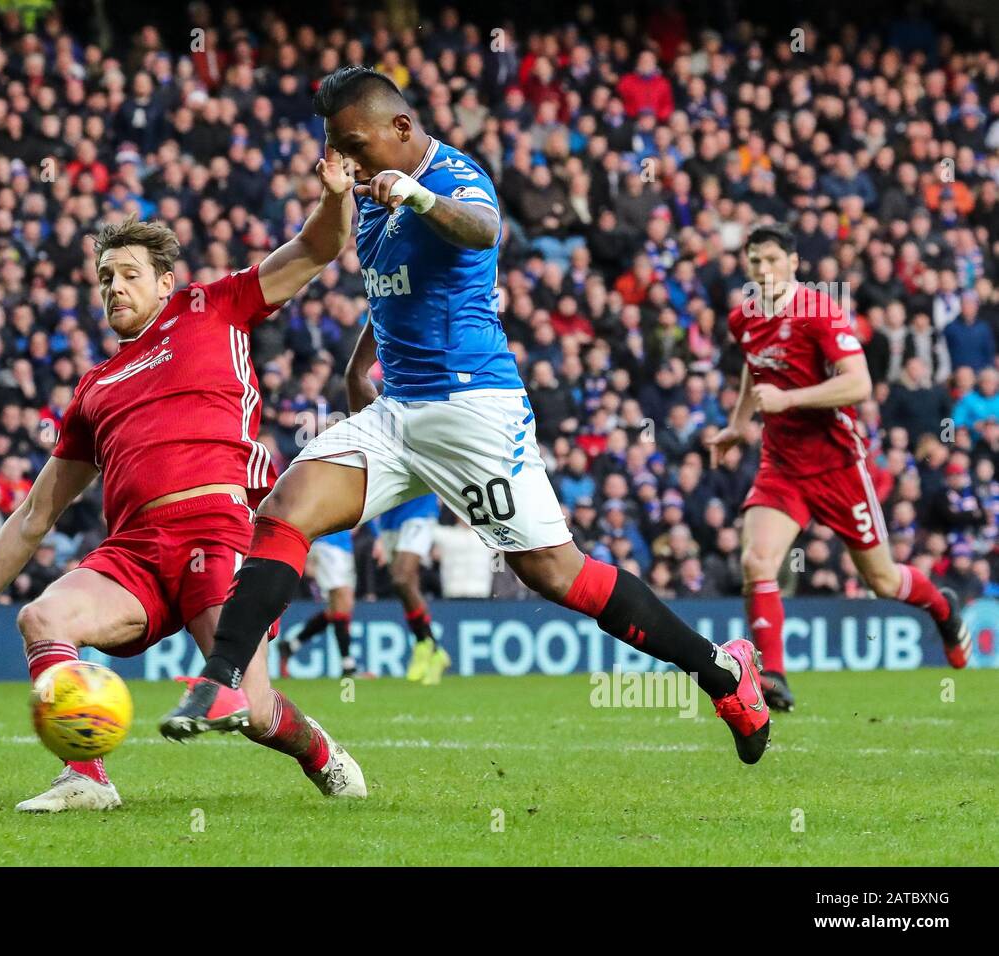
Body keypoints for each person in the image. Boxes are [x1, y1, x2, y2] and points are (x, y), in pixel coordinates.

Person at [162, 66, 772, 766]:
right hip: (400, 412)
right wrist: (363, 358)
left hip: (473, 409)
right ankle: (225, 679)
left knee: (556, 575)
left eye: (352, 143)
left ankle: (721, 671)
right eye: (334, 146)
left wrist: (419, 197)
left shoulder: (452, 177)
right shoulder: (367, 194)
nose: (344, 159)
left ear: (400, 128)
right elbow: (391, 286)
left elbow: (481, 233)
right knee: (284, 510)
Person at [0, 147, 368, 812]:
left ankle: (316, 750)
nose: (113, 286)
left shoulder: (213, 305)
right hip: (135, 551)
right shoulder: (95, 388)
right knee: (42, 615)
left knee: (254, 712)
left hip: (216, 529)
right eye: (104, 276)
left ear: (166, 282)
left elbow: (318, 248)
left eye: (128, 274)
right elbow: (34, 516)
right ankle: (87, 778)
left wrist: (337, 194)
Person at [710, 223, 972, 711]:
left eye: (771, 259)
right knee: (756, 561)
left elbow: (859, 385)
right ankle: (774, 679)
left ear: (793, 263)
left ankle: (943, 607)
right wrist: (737, 424)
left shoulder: (819, 312)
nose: (762, 270)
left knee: (883, 581)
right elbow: (754, 366)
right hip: (782, 465)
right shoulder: (742, 319)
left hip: (837, 465)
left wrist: (787, 399)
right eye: (754, 261)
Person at [375, 494, 449, 683]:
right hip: (389, 516)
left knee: (401, 578)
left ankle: (423, 644)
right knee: (407, 584)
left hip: (420, 510)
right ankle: (435, 652)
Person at [277, 529, 359, 677]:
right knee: (342, 601)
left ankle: (291, 645)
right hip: (328, 544)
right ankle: (348, 665)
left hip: (344, 546)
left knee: (340, 608)